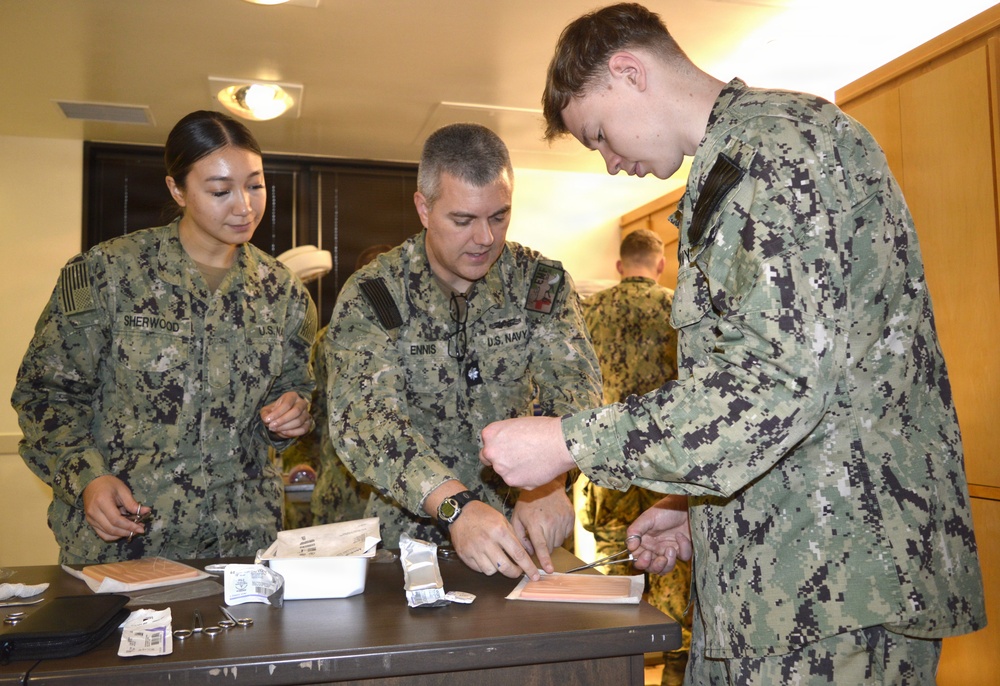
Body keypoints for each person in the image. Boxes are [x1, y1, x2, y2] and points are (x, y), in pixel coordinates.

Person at [480, 3, 986, 683]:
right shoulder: (732, 165)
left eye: (598, 134)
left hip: (836, 592)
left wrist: (567, 442)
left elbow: (772, 389)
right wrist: (696, 513)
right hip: (785, 587)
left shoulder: (774, 153)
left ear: (629, 72)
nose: (610, 164)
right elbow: (785, 387)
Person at [12, 110, 318, 565]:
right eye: (220, 191)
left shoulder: (284, 294)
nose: (244, 206)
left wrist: (293, 414)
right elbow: (45, 396)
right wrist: (87, 479)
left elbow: (294, 391)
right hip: (125, 544)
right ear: (178, 190)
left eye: (255, 185)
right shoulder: (108, 273)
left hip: (241, 545)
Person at [323, 122, 602, 580]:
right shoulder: (376, 294)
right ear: (424, 208)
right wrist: (455, 506)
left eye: (499, 216)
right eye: (463, 220)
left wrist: (550, 483)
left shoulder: (539, 284)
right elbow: (364, 421)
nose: (485, 237)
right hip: (409, 550)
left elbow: (575, 388)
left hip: (524, 543)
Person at [580, 227, 689, 685]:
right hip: (670, 465)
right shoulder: (679, 308)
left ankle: (614, 670)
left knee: (614, 571)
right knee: (673, 572)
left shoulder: (590, 310)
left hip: (609, 463)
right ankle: (675, 673)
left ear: (620, 266)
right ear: (661, 264)